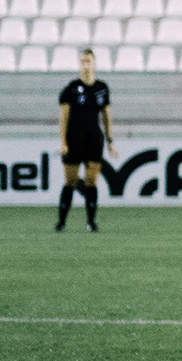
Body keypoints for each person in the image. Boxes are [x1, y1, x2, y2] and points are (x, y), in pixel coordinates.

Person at [56, 47, 116, 232]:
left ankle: (91, 222)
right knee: (70, 180)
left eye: (88, 61)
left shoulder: (102, 88)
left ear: (94, 64)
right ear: (79, 64)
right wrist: (63, 142)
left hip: (94, 139)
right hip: (74, 139)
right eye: (83, 62)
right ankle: (61, 222)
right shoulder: (71, 88)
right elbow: (63, 117)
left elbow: (106, 117)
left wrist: (110, 141)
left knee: (91, 181)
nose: (86, 65)